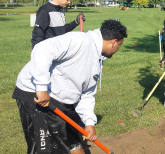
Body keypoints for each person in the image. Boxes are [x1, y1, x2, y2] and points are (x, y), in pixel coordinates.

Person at [12, 19, 127, 154]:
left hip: (62, 99)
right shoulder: (80, 41)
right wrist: (41, 87)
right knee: (48, 149)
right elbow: (42, 49)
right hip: (36, 94)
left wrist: (89, 122)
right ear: (113, 42)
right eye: (120, 44)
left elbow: (86, 92)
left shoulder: (97, 58)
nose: (118, 49)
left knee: (73, 142)